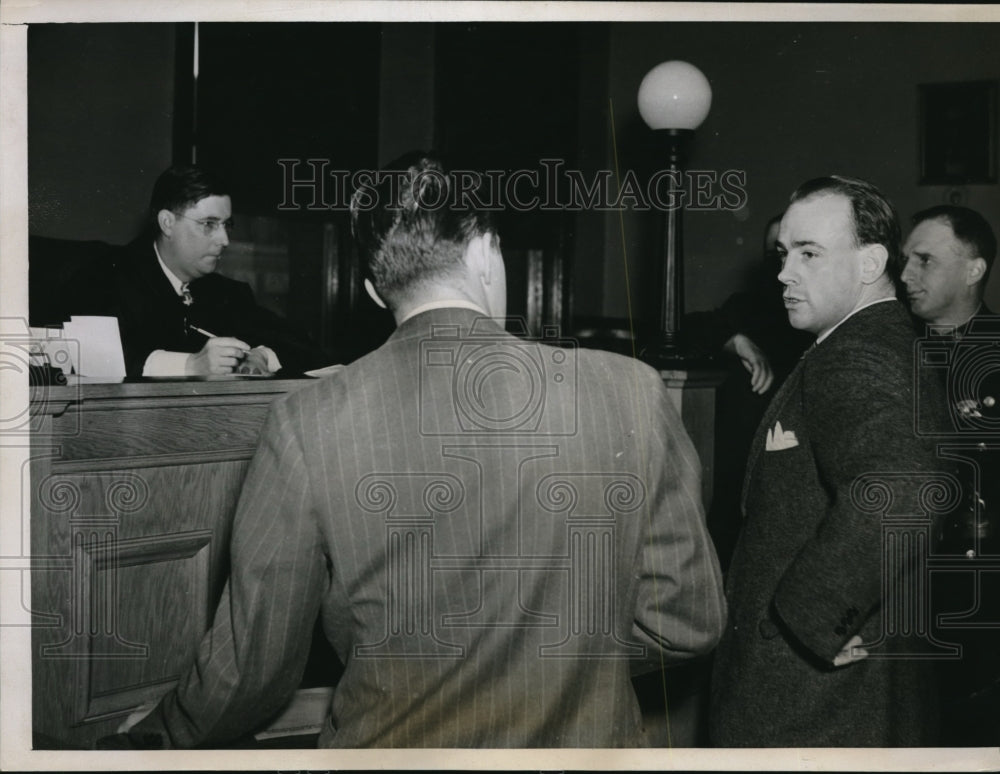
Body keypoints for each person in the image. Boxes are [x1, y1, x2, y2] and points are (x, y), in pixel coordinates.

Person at [103, 153, 725, 748]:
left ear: (374, 290)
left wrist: (157, 732)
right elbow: (687, 621)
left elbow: (251, 666)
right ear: (485, 250)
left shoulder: (306, 421)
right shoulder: (632, 392)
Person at [708, 175, 952, 746]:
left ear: (870, 264)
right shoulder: (876, 342)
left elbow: (904, 490)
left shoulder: (856, 354)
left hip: (816, 705)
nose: (784, 273)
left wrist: (810, 617)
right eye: (783, 254)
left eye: (808, 254)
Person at [900, 205, 999, 746]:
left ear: (973, 270)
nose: (906, 274)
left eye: (925, 260)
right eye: (904, 260)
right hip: (897, 585)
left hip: (978, 593)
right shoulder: (887, 348)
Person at [101, 164, 330, 377]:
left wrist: (261, 355)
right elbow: (94, 360)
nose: (225, 239)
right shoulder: (107, 278)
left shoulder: (227, 293)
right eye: (209, 224)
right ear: (167, 223)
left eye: (226, 224)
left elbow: (302, 347)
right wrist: (191, 364)